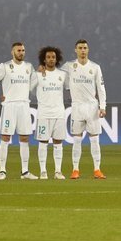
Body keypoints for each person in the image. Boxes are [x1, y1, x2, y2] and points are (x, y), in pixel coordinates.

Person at [0, 42, 39, 180]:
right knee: (6, 137)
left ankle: (25, 171)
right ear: (12, 52)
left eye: (23, 50)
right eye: (18, 50)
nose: (21, 52)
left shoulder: (29, 67)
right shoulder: (4, 66)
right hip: (10, 106)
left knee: (25, 138)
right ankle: (2, 171)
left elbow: (33, 85)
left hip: (24, 105)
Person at [64, 39, 107, 180]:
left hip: (92, 107)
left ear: (88, 50)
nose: (83, 50)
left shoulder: (95, 67)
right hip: (77, 107)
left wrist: (102, 106)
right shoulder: (69, 66)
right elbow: (58, 79)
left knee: (95, 140)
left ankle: (97, 169)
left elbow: (101, 88)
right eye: (80, 48)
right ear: (75, 50)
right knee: (76, 140)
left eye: (85, 48)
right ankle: (75, 169)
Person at [35, 46, 68, 180]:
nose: (51, 59)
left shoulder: (62, 75)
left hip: (59, 113)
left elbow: (71, 88)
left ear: (57, 59)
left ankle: (58, 171)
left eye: (53, 57)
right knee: (43, 142)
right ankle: (43, 171)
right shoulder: (37, 75)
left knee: (58, 142)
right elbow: (25, 87)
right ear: (44, 59)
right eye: (48, 57)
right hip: (43, 113)